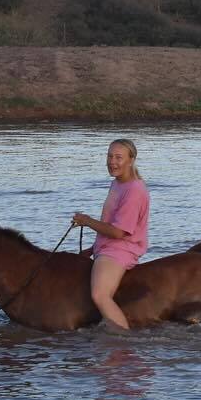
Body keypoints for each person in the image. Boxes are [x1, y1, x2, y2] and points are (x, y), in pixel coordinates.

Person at [72, 138, 151, 330]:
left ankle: (124, 341)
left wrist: (87, 221)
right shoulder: (117, 183)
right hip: (107, 248)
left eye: (118, 157)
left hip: (121, 250)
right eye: (109, 156)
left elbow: (118, 232)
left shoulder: (134, 190)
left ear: (131, 160)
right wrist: (92, 249)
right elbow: (111, 224)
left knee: (100, 295)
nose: (112, 161)